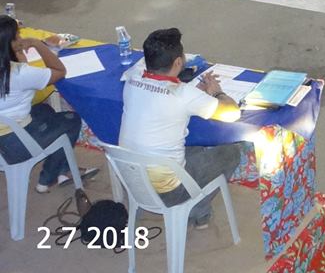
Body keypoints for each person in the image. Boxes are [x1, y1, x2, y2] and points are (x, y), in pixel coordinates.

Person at [118, 28, 242, 229]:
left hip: (130, 177)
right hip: (168, 191)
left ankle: (194, 210)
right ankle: (199, 212)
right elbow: (232, 113)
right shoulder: (183, 95)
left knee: (194, 148)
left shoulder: (132, 78)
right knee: (231, 151)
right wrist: (217, 92)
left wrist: (196, 94)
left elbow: (162, 95)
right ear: (178, 62)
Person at [0, 17, 97, 193]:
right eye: (18, 35)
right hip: (14, 145)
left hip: (5, 135)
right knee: (71, 119)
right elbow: (59, 71)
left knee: (44, 110)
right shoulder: (18, 73)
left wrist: (18, 52)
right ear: (9, 43)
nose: (21, 37)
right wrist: (38, 44)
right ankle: (47, 178)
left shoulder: (14, 70)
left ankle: (63, 170)